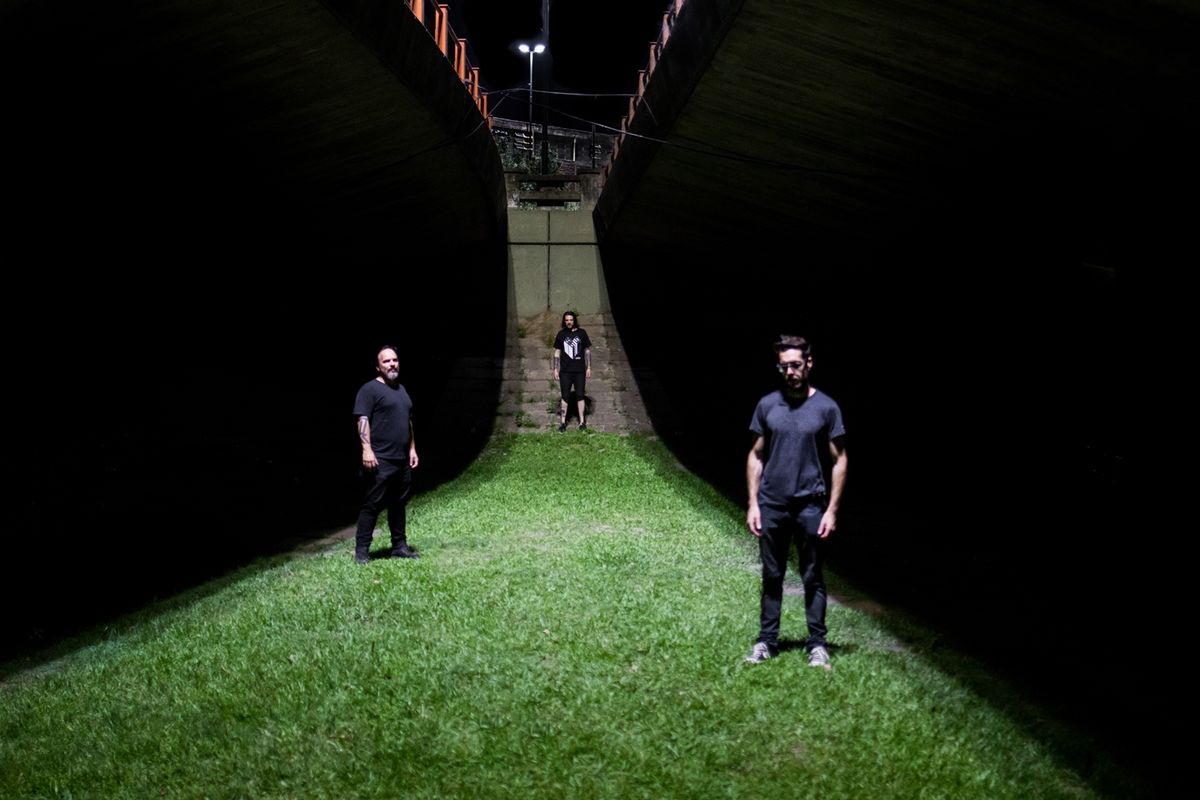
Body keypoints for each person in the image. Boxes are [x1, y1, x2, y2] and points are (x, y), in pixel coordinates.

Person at [744, 335, 847, 667]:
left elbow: (840, 460)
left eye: (796, 365)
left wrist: (831, 510)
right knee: (772, 575)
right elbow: (756, 455)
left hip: (810, 506)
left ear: (809, 364)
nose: (790, 372)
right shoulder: (767, 405)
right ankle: (766, 641)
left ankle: (817, 644)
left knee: (812, 576)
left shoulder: (826, 407)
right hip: (772, 504)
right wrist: (753, 503)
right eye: (784, 366)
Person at [352, 345, 420, 563]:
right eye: (386, 361)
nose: (392, 364)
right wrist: (367, 449)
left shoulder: (401, 390)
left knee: (398, 504)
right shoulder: (369, 390)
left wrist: (412, 449)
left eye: (394, 360)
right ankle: (362, 552)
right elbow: (362, 419)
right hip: (380, 460)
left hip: (401, 460)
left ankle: (399, 546)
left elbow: (408, 422)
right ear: (378, 366)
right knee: (372, 505)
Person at [552, 310, 592, 432]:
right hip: (565, 371)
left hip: (579, 371)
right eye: (567, 320)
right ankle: (562, 423)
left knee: (580, 395)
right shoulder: (561, 334)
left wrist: (589, 367)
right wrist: (555, 368)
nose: (569, 322)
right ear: (564, 321)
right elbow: (557, 352)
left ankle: (582, 423)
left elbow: (587, 351)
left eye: (571, 320)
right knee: (565, 396)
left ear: (574, 320)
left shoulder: (582, 333)